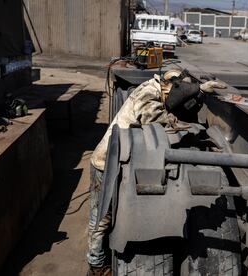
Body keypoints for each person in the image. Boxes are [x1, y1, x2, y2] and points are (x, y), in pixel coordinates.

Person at [87, 69, 226, 276]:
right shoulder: (148, 93)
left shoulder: (158, 88)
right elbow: (153, 117)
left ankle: (98, 258)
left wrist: (200, 90)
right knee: (101, 217)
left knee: (105, 214)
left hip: (119, 158)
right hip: (105, 160)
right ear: (166, 86)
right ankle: (96, 264)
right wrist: (185, 126)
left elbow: (175, 101)